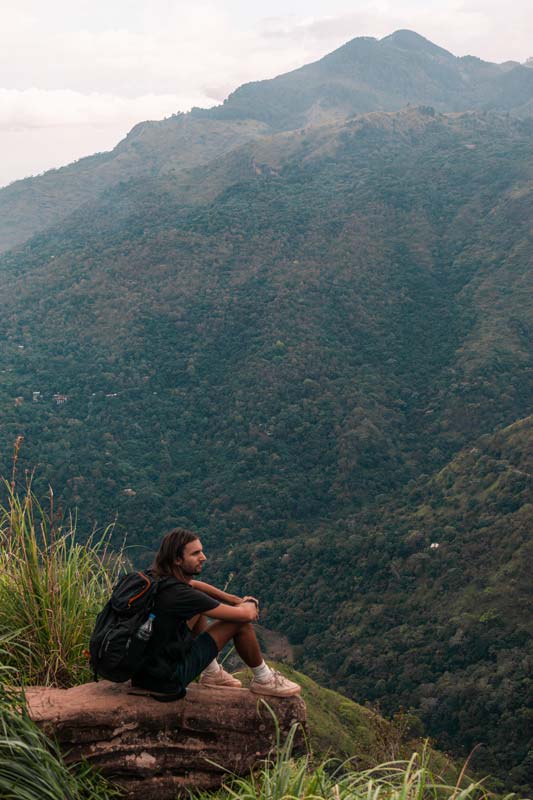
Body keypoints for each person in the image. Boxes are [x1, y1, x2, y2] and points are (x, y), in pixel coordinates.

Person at [131, 528, 301, 699]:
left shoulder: (155, 578)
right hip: (167, 680)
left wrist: (233, 599)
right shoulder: (182, 596)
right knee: (239, 624)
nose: (203, 557)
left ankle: (212, 672)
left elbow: (196, 585)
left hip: (143, 672)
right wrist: (250, 602)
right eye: (195, 553)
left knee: (199, 606)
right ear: (177, 559)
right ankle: (264, 679)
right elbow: (245, 616)